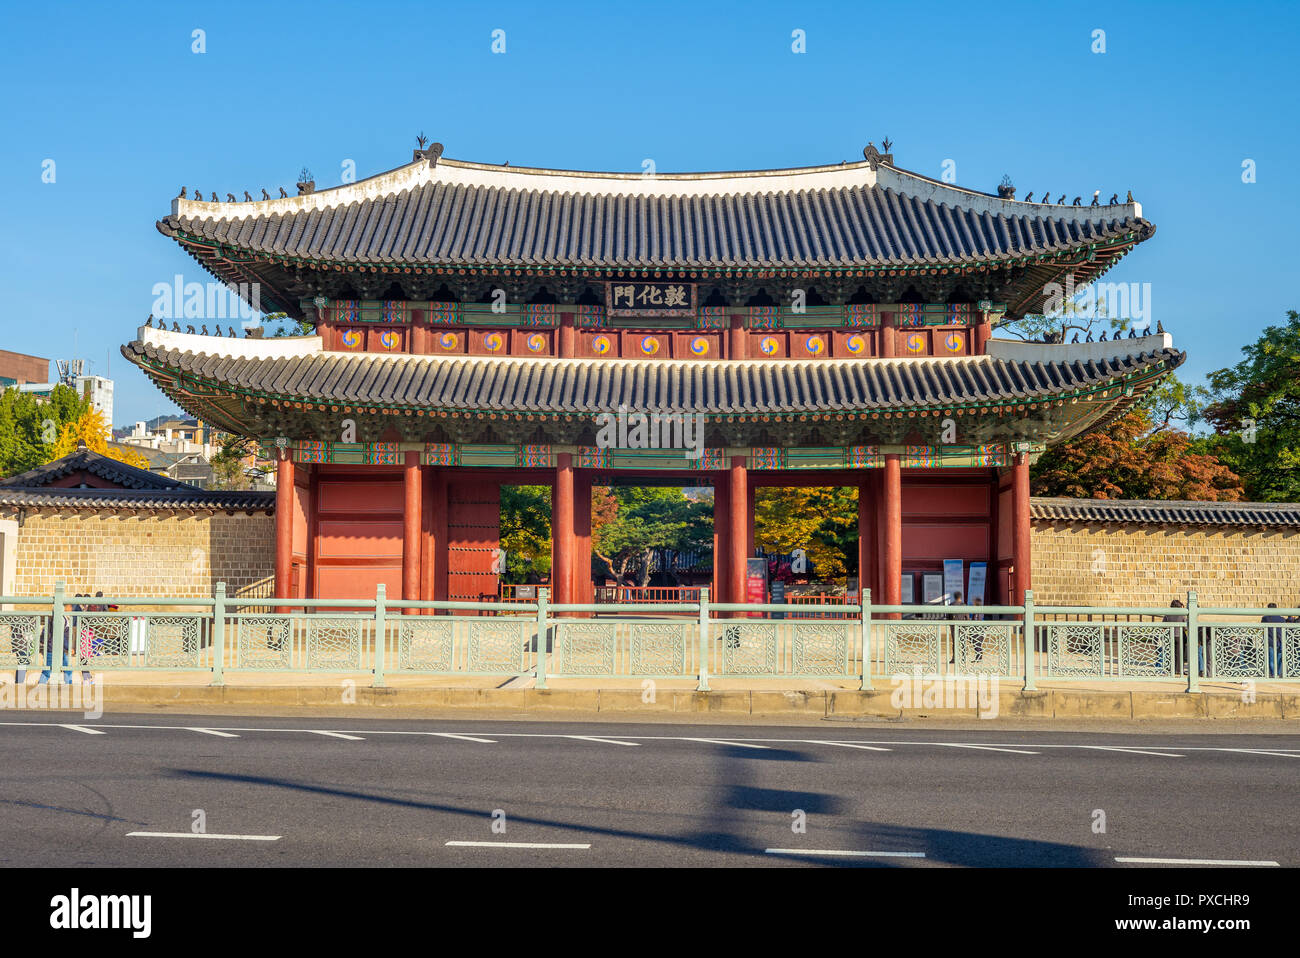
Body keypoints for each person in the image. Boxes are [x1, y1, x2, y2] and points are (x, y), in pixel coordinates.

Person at [40, 593, 93, 685]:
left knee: (48, 671)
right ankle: (68, 685)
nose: (71, 608)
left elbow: (44, 635)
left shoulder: (51, 618)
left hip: (50, 648)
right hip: (58, 649)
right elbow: (63, 636)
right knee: (66, 670)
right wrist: (68, 647)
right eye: (70, 606)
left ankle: (41, 685)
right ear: (64, 607)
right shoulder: (63, 619)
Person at [1263, 603, 1286, 679]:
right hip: (1281, 641)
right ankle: (1278, 673)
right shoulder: (1282, 619)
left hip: (1270, 641)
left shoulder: (1265, 619)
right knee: (1279, 658)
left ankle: (1273, 674)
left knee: (1271, 659)